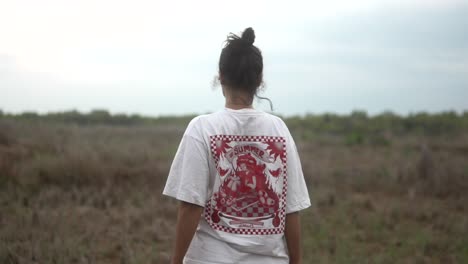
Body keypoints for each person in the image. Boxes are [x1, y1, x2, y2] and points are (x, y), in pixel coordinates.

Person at [163, 27, 311, 264]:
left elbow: (190, 206)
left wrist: (176, 261)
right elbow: (291, 209)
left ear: (220, 76)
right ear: (259, 80)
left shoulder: (201, 128)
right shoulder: (279, 130)